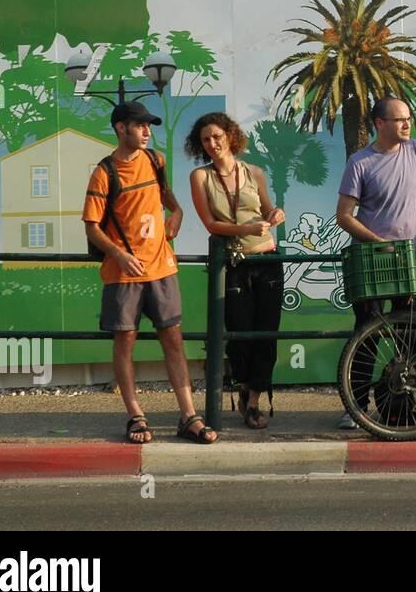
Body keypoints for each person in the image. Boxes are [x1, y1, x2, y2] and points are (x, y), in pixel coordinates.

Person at [82, 100, 216, 444]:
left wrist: (178, 213)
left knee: (173, 340)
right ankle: (136, 416)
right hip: (123, 274)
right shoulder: (104, 172)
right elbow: (92, 227)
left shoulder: (156, 160)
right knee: (124, 342)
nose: (146, 131)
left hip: (161, 268)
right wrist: (119, 254)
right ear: (120, 128)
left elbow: (167, 197)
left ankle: (188, 416)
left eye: (149, 126)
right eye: (139, 125)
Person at [335, 96, 416, 430]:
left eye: (409, 118)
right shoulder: (360, 162)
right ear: (379, 124)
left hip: (409, 259)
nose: (407, 124)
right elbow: (344, 216)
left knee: (408, 334)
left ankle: (403, 403)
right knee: (367, 334)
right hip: (372, 262)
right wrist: (378, 242)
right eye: (399, 119)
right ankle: (356, 407)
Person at [186, 113, 286, 429]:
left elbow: (267, 208)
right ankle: (243, 388)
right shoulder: (200, 177)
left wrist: (275, 213)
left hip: (267, 258)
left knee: (266, 334)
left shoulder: (254, 171)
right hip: (233, 262)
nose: (212, 144)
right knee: (239, 334)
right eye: (205, 139)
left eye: (217, 136)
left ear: (230, 135)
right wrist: (246, 227)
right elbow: (211, 224)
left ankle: (255, 401)